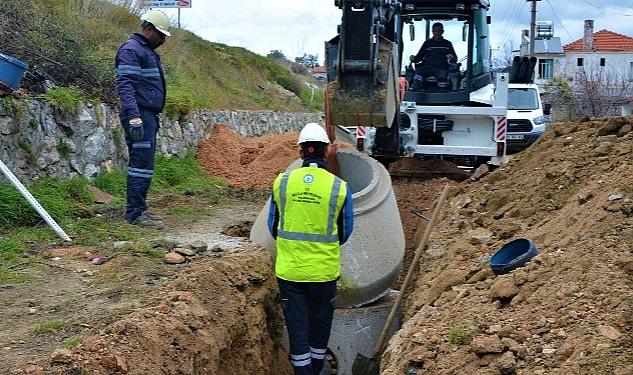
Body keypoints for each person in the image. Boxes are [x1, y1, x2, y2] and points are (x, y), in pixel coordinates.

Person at [267, 123, 354, 375]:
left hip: (290, 271)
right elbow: (345, 231)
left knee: (297, 329)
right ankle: (317, 370)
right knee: (319, 327)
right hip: (323, 273)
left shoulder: (283, 182)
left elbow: (273, 226)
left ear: (301, 152)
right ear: (326, 152)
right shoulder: (339, 187)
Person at [115, 10, 171, 229]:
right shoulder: (132, 50)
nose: (164, 39)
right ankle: (135, 215)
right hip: (139, 114)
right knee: (140, 165)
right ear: (148, 29)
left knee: (144, 164)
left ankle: (139, 210)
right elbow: (125, 84)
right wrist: (134, 117)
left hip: (146, 114)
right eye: (161, 34)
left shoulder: (146, 51)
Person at [410, 22, 457, 90]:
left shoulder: (447, 44)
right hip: (427, 67)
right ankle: (416, 93)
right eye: (435, 31)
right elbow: (418, 57)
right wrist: (413, 59)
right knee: (418, 74)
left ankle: (441, 95)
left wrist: (452, 57)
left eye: (439, 31)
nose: (437, 33)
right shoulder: (427, 43)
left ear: (442, 31)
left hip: (441, 68)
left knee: (443, 76)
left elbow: (455, 59)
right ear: (432, 32)